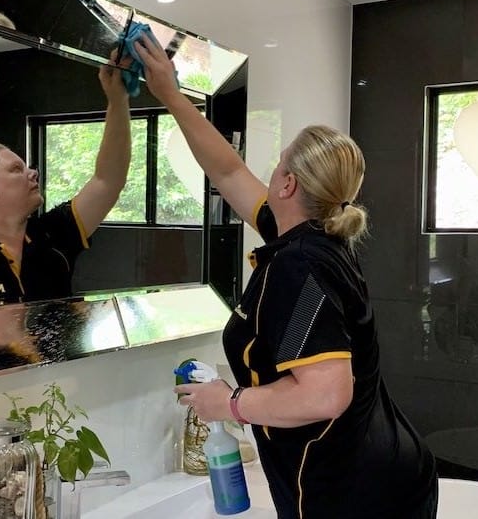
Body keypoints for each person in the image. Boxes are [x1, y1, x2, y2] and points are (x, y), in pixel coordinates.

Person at [135, 35, 438, 519]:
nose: (269, 171)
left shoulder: (300, 267)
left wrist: (229, 403)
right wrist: (171, 96)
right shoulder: (308, 239)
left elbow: (324, 393)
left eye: (278, 163)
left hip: (353, 493)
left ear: (288, 183)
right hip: (383, 472)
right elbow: (227, 169)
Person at [0, 56, 131, 308]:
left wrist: (118, 101)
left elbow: (108, 181)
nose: (33, 174)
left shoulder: (54, 234)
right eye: (16, 169)